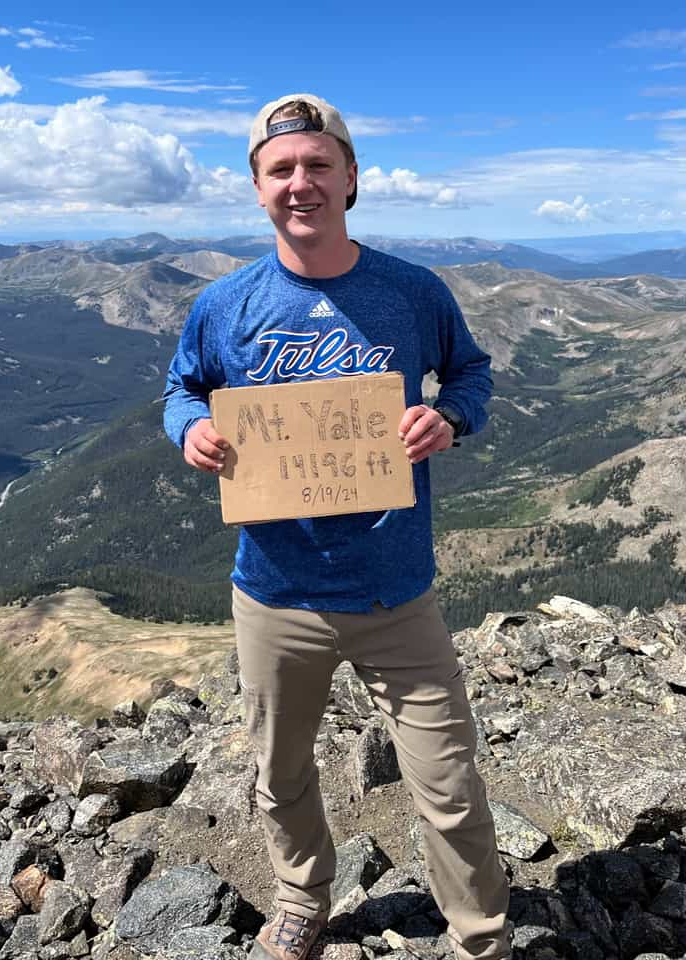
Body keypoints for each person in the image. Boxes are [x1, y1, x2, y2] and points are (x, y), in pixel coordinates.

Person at [163, 93, 512, 960]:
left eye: (319, 165)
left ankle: (481, 939)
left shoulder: (411, 292)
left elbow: (471, 373)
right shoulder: (225, 304)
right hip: (276, 594)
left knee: (450, 785)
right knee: (280, 778)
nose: (301, 183)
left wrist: (452, 420)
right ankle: (301, 902)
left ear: (352, 178)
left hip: (397, 592)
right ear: (256, 187)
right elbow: (181, 387)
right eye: (281, 169)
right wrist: (191, 430)